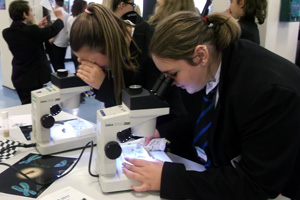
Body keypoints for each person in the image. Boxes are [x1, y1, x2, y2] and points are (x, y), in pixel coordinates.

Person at [122, 11, 300, 200]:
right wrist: (160, 132)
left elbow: (255, 185)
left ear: (200, 55)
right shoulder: (214, 64)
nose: (170, 82)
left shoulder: (267, 93)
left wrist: (168, 179)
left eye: (173, 73)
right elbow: (205, 120)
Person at [70, 4, 186, 142]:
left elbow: (152, 112)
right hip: (131, 136)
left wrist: (105, 86)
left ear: (109, 48)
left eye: (92, 61)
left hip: (163, 137)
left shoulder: (151, 50)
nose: (87, 66)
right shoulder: (111, 51)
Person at [2, 0, 64, 105]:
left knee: (26, 105)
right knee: (35, 108)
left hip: (19, 77)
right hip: (33, 79)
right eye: (31, 11)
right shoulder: (32, 32)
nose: (33, 14)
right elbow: (52, 30)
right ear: (24, 14)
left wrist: (38, 26)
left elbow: (27, 36)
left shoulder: (7, 32)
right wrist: (59, 18)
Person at [47, 0, 69, 71]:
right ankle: (63, 80)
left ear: (55, 2)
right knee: (61, 63)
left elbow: (55, 27)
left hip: (56, 42)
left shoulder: (55, 13)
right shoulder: (67, 14)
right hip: (64, 42)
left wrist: (52, 38)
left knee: (56, 65)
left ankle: (59, 81)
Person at [67, 0, 87, 70]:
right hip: (83, 47)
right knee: (83, 66)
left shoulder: (70, 18)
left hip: (73, 46)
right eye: (85, 7)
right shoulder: (84, 19)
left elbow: (69, 33)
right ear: (82, 8)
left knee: (77, 66)